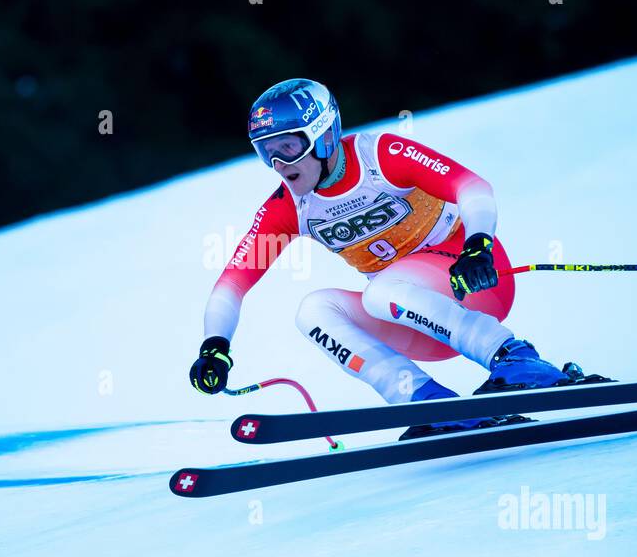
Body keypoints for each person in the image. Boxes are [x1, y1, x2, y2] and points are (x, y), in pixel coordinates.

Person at [189, 78, 576, 437]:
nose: (279, 164)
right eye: (266, 152)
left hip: (475, 282)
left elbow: (473, 187)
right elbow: (232, 283)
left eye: (288, 147)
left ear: (323, 136)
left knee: (382, 291)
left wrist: (479, 243)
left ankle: (513, 356)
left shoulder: (380, 156)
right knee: (313, 311)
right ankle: (425, 403)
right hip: (418, 319)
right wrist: (215, 346)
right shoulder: (289, 207)